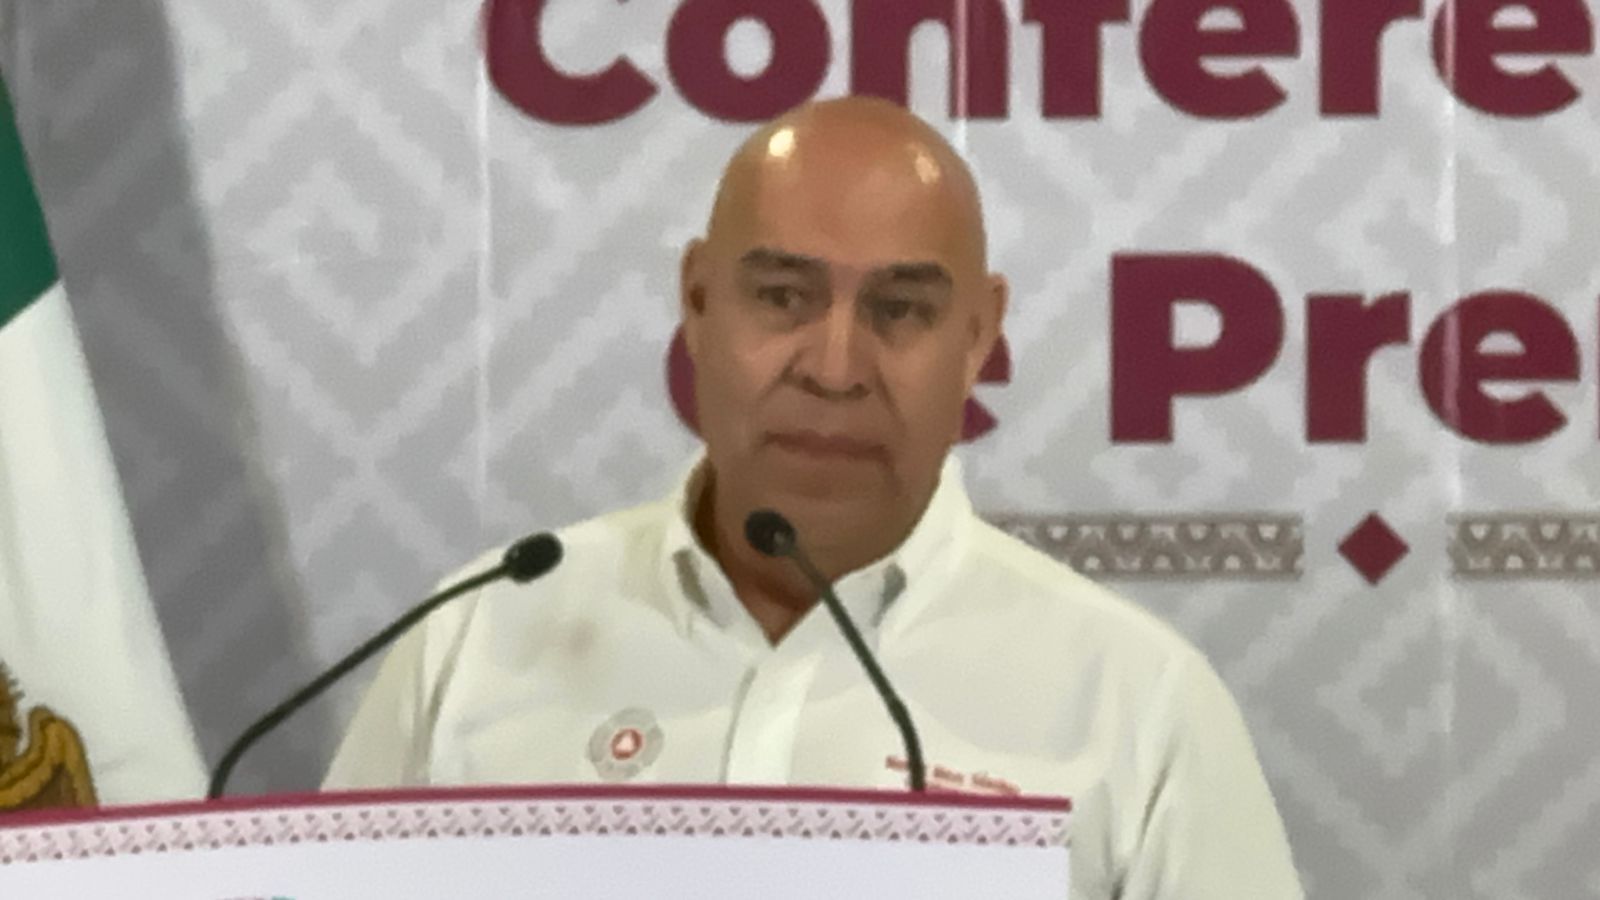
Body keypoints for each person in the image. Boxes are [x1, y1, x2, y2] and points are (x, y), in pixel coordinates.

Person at [324, 97, 1303, 899]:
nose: (835, 369)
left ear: (977, 336)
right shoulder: (477, 638)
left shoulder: (1136, 704)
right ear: (697, 302)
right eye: (782, 297)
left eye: (900, 309)